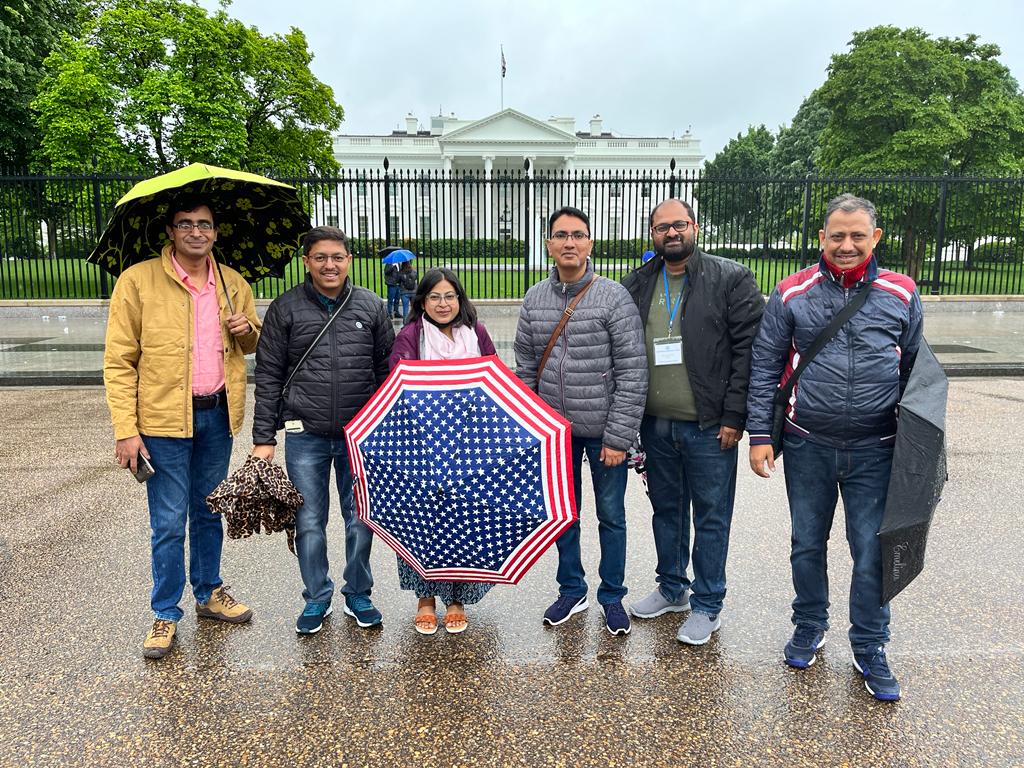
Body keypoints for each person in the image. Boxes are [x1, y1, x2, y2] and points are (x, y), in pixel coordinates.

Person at [746, 193, 923, 702]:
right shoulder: (790, 293)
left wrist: (918, 453)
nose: (847, 245)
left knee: (871, 551)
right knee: (806, 544)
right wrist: (762, 437)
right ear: (822, 238)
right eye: (837, 236)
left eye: (857, 236)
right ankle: (809, 626)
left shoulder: (902, 293)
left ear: (875, 238)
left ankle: (870, 646)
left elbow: (915, 374)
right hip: (808, 445)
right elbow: (765, 369)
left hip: (877, 447)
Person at [104, 194, 262, 660]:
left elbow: (252, 343)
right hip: (161, 419)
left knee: (210, 510)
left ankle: (209, 592)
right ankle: (165, 612)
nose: (197, 232)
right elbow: (118, 361)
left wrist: (245, 330)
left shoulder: (232, 283)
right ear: (170, 231)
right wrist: (125, 429)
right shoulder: (138, 282)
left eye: (205, 224)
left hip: (217, 414)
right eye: (186, 224)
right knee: (169, 521)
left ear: (216, 231)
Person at [621, 198, 764, 646]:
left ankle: (708, 604)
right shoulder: (638, 284)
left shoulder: (730, 278)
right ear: (652, 235)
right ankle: (672, 588)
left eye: (678, 224)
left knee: (711, 515)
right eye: (661, 227)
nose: (671, 233)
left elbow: (749, 354)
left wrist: (735, 415)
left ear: (695, 227)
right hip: (656, 423)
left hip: (710, 426)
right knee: (667, 510)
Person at [252, 226, 394, 634]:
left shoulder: (370, 306)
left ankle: (358, 592)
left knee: (361, 519)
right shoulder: (286, 308)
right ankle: (316, 597)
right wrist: (264, 438)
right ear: (306, 261)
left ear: (349, 260)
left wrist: (386, 427)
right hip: (305, 433)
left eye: (337, 257)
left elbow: (387, 372)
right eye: (320, 257)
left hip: (359, 434)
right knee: (309, 521)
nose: (329, 265)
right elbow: (269, 375)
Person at [514, 205, 647, 636]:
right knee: (562, 516)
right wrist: (532, 428)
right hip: (555, 435)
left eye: (578, 234)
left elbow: (632, 369)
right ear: (549, 244)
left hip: (605, 432)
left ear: (590, 243)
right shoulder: (535, 298)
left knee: (611, 516)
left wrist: (619, 436)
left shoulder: (613, 296)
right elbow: (525, 368)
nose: (569, 242)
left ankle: (612, 596)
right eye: (561, 235)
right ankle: (571, 588)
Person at [388, 267, 498, 635]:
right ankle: (425, 598)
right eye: (434, 297)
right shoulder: (410, 337)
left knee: (462, 522)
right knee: (422, 521)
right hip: (422, 446)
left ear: (459, 299)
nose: (443, 303)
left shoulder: (476, 333)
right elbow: (398, 388)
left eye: (449, 296)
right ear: (421, 302)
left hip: (469, 447)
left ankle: (455, 598)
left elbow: (496, 379)